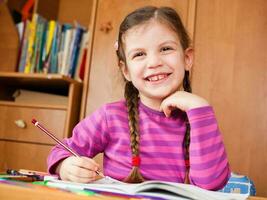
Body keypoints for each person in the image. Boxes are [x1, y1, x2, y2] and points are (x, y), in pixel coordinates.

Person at [47, 6, 230, 190]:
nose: (154, 63)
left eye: (166, 49)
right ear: (126, 70)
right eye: (139, 54)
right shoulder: (110, 116)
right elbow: (61, 150)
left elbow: (211, 184)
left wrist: (200, 108)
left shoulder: (197, 118)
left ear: (187, 58)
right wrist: (65, 167)